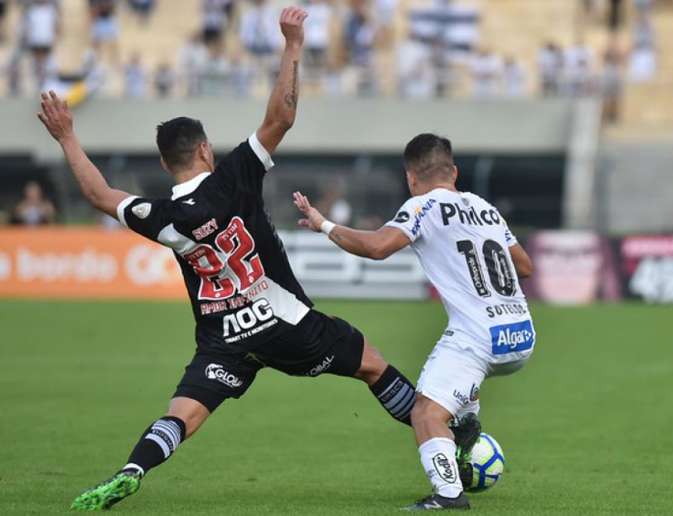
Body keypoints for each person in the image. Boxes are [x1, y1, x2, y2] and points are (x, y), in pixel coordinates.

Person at [37, 8, 420, 511]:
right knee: (371, 364)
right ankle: (446, 437)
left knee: (184, 414)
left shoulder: (162, 214)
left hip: (223, 339)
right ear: (203, 149)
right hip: (284, 322)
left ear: (164, 163)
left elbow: (100, 195)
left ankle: (133, 468)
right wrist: (292, 45)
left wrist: (67, 136)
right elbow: (281, 116)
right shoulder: (235, 173)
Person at [293, 133, 536, 510]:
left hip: (478, 338)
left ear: (411, 178)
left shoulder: (422, 205)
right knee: (453, 377)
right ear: (453, 171)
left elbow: (376, 247)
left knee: (425, 412)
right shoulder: (484, 206)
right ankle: (465, 417)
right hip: (520, 335)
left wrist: (324, 224)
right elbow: (524, 266)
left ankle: (448, 495)